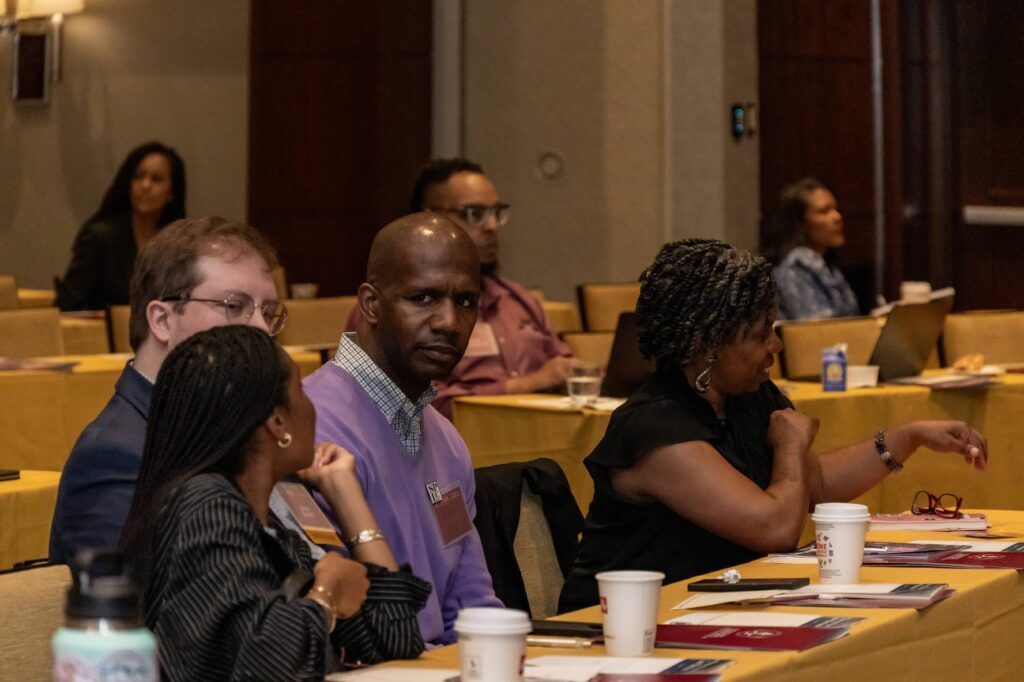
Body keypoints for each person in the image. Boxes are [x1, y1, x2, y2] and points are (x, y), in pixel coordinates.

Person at [558, 239, 988, 612]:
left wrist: (906, 437)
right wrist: (788, 445)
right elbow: (776, 528)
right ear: (707, 344)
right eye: (761, 334)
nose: (776, 347)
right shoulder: (655, 429)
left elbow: (810, 485)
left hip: (709, 610)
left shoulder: (747, 396)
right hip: (621, 628)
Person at [121, 325, 428, 680]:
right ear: (277, 422)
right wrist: (327, 595)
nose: (310, 402)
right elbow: (265, 668)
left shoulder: (274, 515)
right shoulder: (206, 506)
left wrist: (349, 500)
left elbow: (397, 640)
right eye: (300, 388)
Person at [305, 212, 502, 646]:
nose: (449, 322)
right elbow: (342, 623)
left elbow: (471, 603)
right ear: (371, 305)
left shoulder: (446, 438)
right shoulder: (311, 429)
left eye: (465, 301)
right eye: (424, 297)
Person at [50, 216, 286, 565]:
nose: (262, 328)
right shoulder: (115, 455)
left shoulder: (250, 431)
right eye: (234, 306)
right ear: (162, 320)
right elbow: (131, 607)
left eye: (268, 312)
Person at [347, 158, 575, 417]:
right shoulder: (388, 305)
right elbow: (400, 401)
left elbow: (564, 368)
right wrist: (522, 386)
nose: (491, 226)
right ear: (430, 218)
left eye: (496, 213)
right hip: (457, 440)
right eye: (474, 214)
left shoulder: (520, 299)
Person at [56, 141, 186, 311]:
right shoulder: (99, 237)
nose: (145, 185)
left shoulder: (180, 242)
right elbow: (67, 306)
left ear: (171, 192)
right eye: (138, 177)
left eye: (156, 179)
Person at [765, 177, 859, 320]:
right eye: (824, 211)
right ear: (800, 222)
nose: (837, 217)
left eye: (836, 209)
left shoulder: (829, 269)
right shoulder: (793, 271)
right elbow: (816, 331)